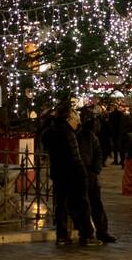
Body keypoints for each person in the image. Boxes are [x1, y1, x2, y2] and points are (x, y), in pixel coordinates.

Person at [41, 100, 100, 246]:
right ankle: (87, 235)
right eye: (74, 118)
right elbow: (75, 156)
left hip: (58, 173)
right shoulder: (68, 133)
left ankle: (61, 236)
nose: (76, 121)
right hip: (73, 174)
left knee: (60, 205)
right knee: (81, 204)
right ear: (68, 119)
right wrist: (83, 174)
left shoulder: (49, 132)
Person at [76, 109, 116, 243]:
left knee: (96, 204)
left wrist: (95, 169)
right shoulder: (75, 135)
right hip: (79, 174)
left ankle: (102, 231)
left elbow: (98, 153)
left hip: (91, 174)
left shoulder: (91, 136)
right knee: (84, 205)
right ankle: (87, 233)